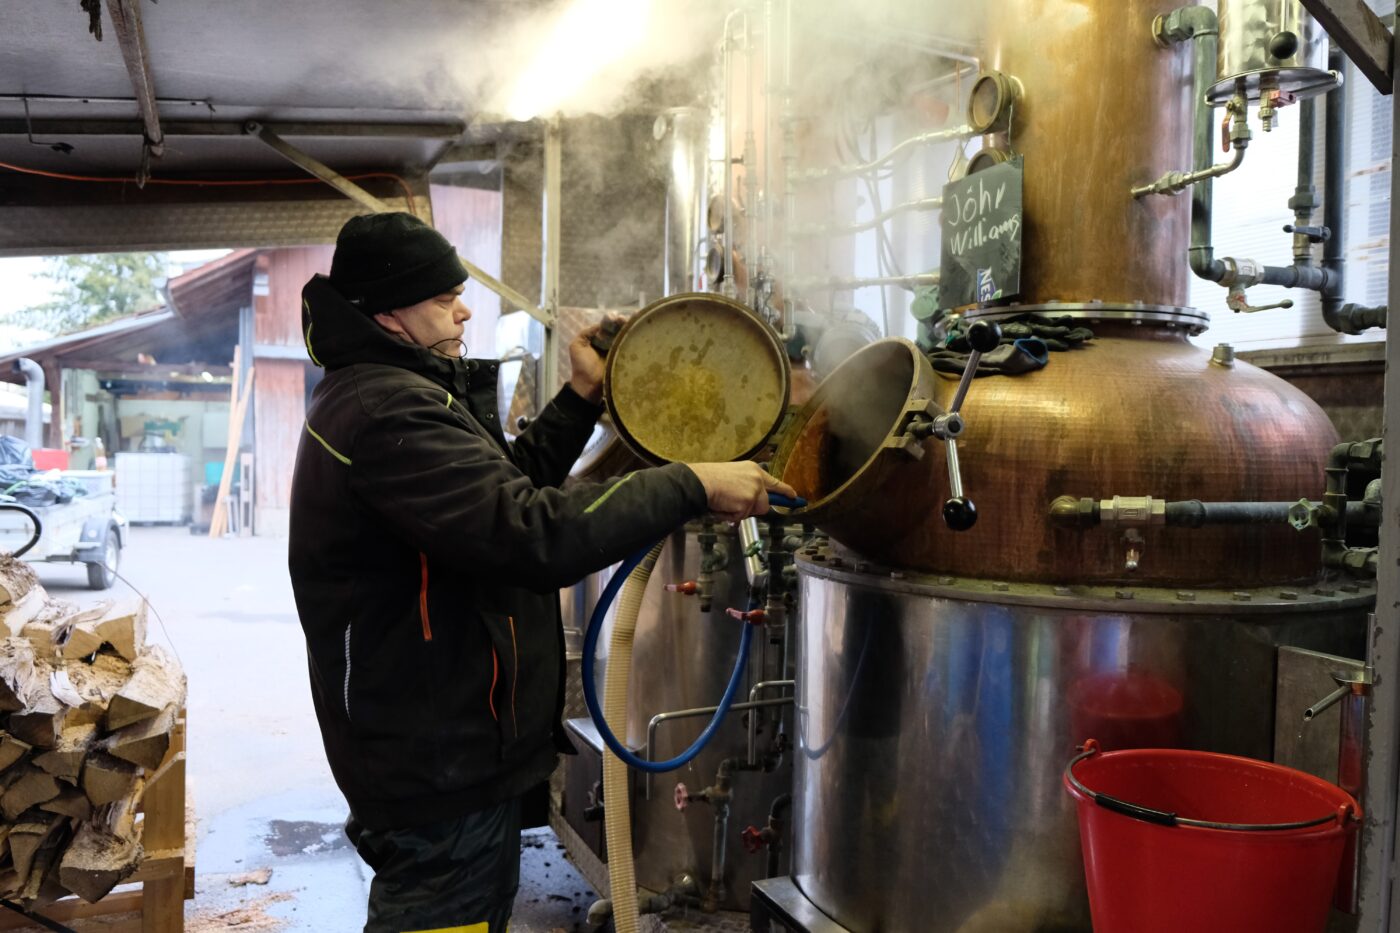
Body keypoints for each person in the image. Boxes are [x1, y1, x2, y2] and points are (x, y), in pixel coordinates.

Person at [287, 211, 795, 933]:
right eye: (443, 297)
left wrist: (582, 395)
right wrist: (690, 483)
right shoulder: (385, 410)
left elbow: (503, 488)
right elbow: (531, 531)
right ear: (390, 312)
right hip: (434, 765)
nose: (463, 308)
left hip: (445, 750)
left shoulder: (396, 392)